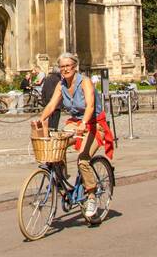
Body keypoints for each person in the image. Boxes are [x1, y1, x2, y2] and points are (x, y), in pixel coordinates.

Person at [34, 53, 114, 222]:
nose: (65, 69)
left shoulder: (84, 82)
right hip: (75, 123)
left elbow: (91, 105)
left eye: (68, 66)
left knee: (83, 160)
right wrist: (41, 119)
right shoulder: (60, 84)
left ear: (75, 66)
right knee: (56, 144)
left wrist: (84, 123)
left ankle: (91, 196)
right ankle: (61, 177)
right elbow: (51, 104)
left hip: (93, 124)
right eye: (62, 67)